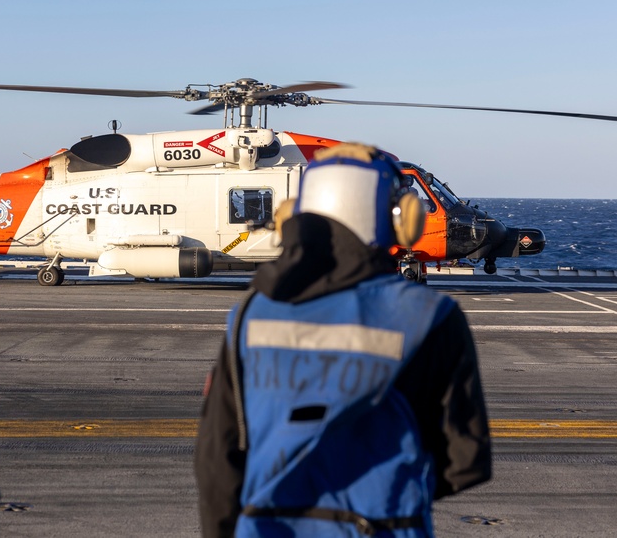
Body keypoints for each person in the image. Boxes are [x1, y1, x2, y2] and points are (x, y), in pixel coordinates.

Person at [195, 143, 491, 537]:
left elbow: (217, 458)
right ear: (401, 220)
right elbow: (465, 459)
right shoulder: (430, 318)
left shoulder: (250, 315)